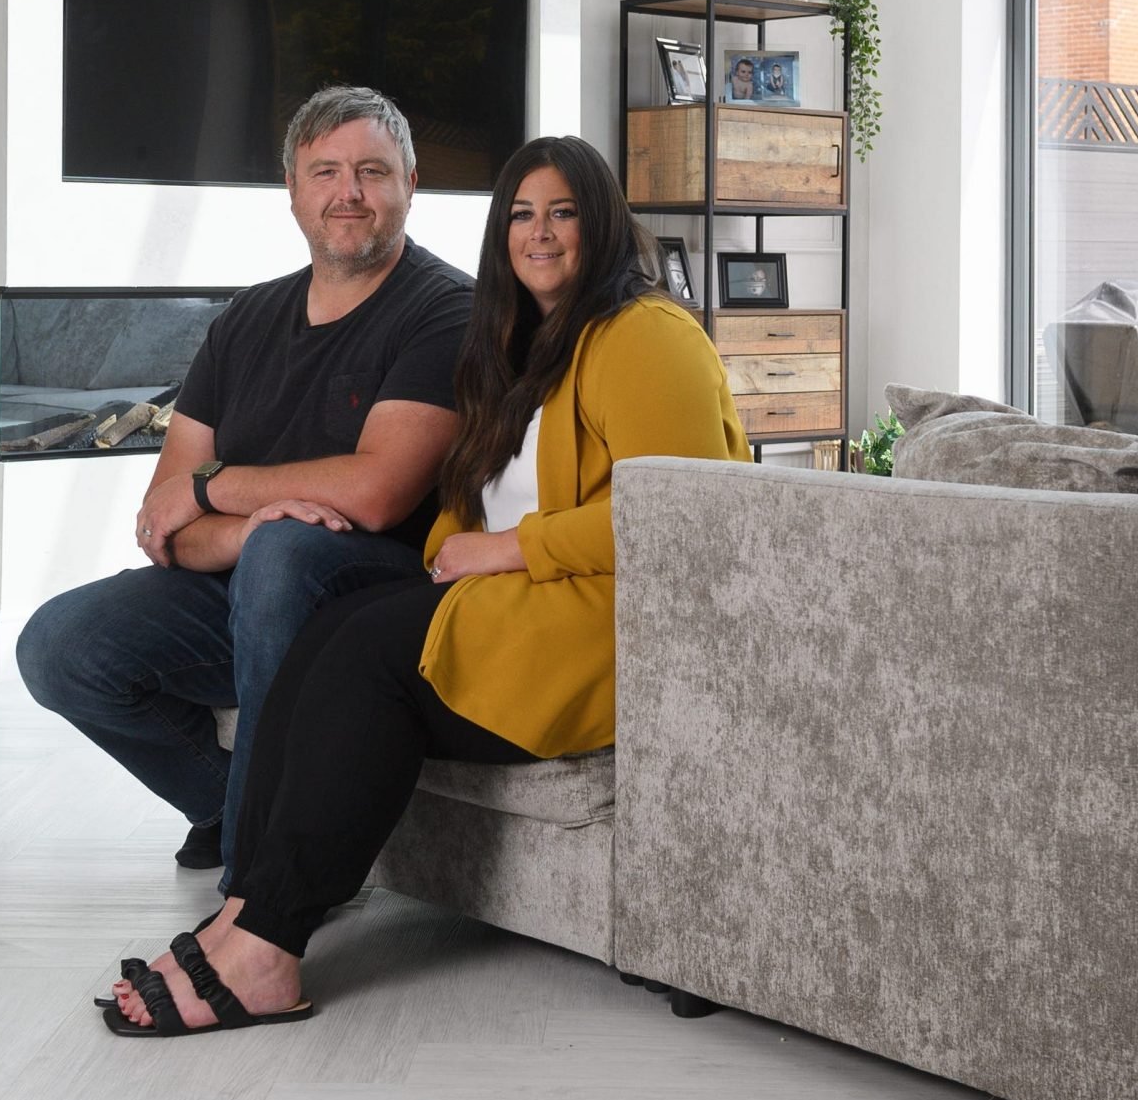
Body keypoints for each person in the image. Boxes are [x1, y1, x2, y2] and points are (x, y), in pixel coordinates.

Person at [101, 134, 750, 1037]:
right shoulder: (526, 341)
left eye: (563, 212)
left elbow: (681, 516)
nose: (541, 233)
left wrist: (506, 550)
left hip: (605, 619)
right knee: (335, 631)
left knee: (366, 660)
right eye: (521, 214)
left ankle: (267, 952)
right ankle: (247, 910)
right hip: (522, 600)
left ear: (601, 224)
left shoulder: (646, 335)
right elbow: (473, 489)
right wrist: (454, 548)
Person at [18, 87, 471, 879]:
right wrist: (237, 522)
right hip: (243, 586)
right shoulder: (245, 319)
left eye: (372, 171)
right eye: (324, 171)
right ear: (292, 190)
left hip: (378, 598)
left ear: (410, 184)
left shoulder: (447, 310)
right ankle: (234, 804)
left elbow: (375, 496)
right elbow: (167, 514)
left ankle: (261, 889)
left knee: (286, 554)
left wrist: (216, 488)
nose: (349, 192)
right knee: (59, 645)